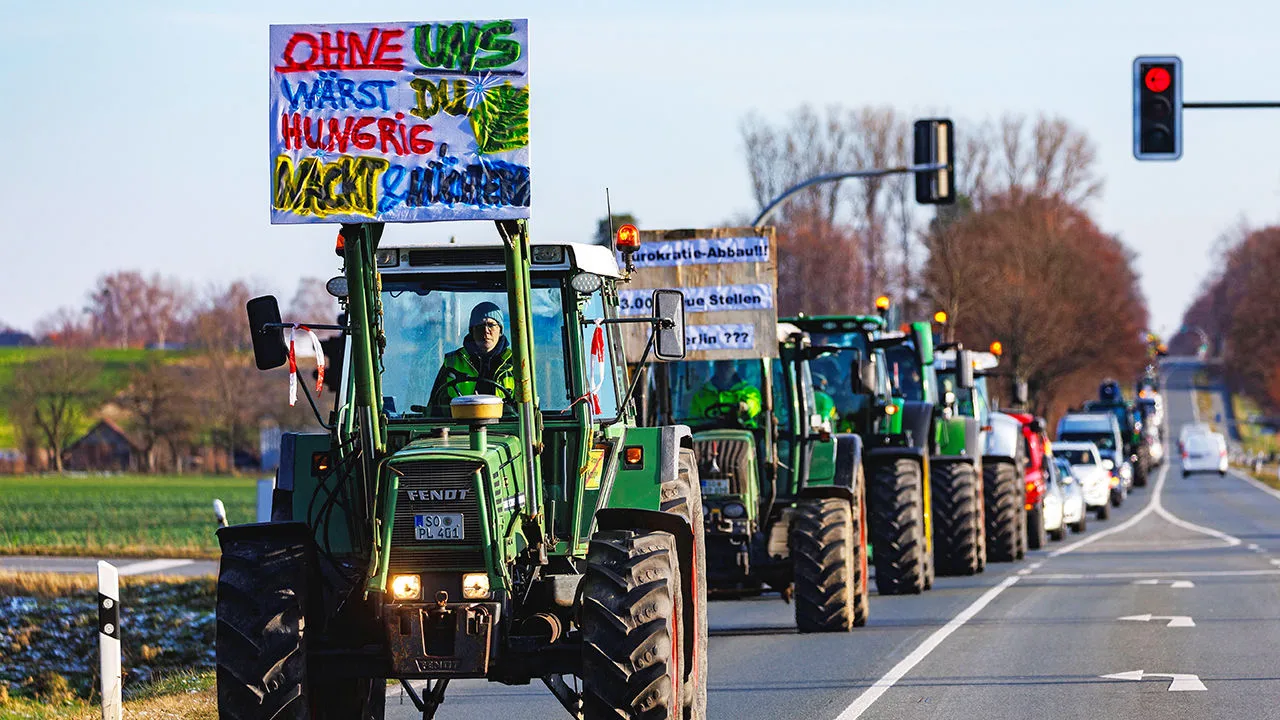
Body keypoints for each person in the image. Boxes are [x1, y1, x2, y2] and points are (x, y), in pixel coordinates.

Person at [428, 301, 515, 414]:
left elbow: (526, 407)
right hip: (459, 429)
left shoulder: (515, 363)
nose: (486, 331)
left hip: (507, 429)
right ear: (472, 331)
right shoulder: (452, 363)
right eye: (480, 326)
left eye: (491, 325)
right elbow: (435, 408)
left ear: (500, 330)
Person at [689, 362, 763, 427]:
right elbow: (693, 423)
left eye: (727, 364)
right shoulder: (701, 396)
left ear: (734, 366)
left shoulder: (749, 391)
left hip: (745, 434)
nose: (723, 368)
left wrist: (746, 407)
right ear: (715, 366)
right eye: (720, 364)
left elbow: (753, 405)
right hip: (709, 437)